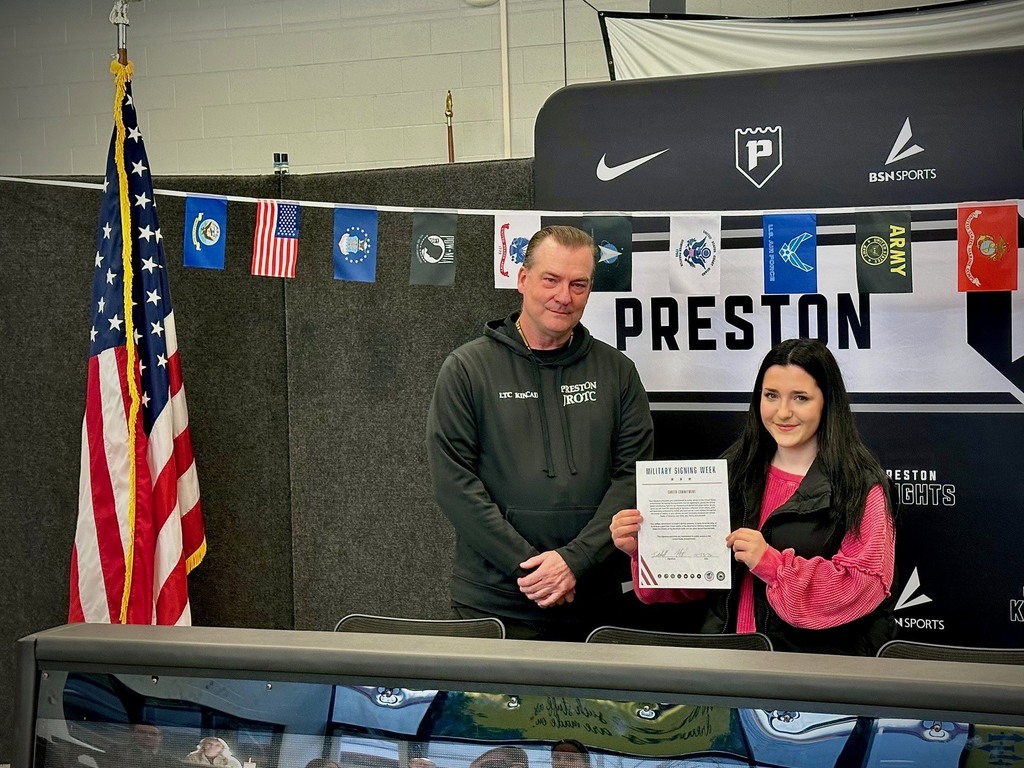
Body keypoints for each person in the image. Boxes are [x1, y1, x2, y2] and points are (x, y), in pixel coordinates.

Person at [426, 225, 654, 641]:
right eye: (551, 279)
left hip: (595, 602)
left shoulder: (617, 372)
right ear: (523, 279)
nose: (563, 296)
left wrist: (574, 562)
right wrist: (530, 569)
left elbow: (633, 477)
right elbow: (454, 484)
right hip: (492, 603)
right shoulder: (467, 370)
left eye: (578, 284)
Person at [610, 338, 896, 655]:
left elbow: (864, 584)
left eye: (800, 398)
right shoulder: (735, 468)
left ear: (827, 403)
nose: (783, 412)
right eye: (771, 396)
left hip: (815, 675)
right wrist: (650, 549)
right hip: (730, 667)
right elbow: (698, 579)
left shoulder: (859, 483)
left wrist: (772, 565)